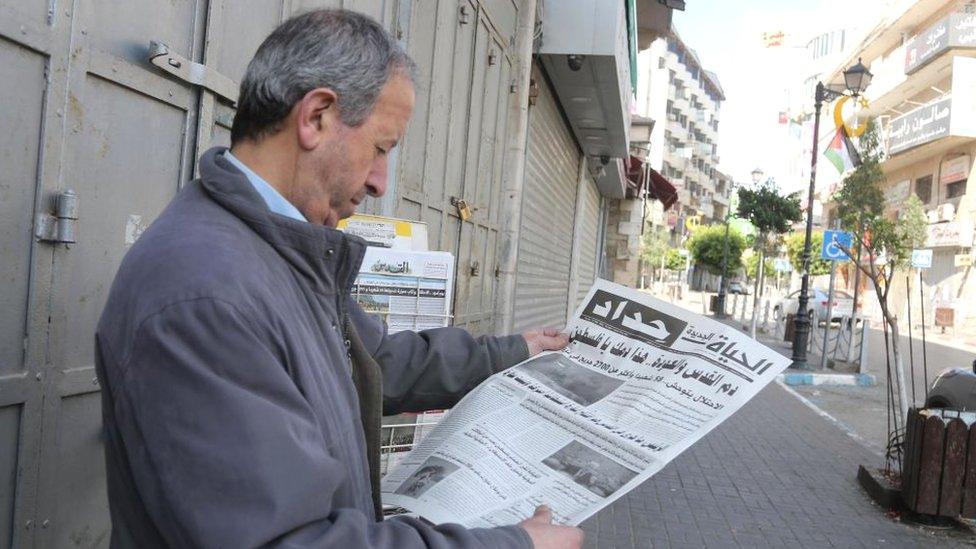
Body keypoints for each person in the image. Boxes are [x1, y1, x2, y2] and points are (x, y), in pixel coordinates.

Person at [94, 8, 583, 549]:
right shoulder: (204, 293)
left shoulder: (274, 252)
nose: (379, 182)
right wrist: (516, 545)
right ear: (317, 117)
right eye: (380, 148)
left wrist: (512, 352)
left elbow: (372, 363)